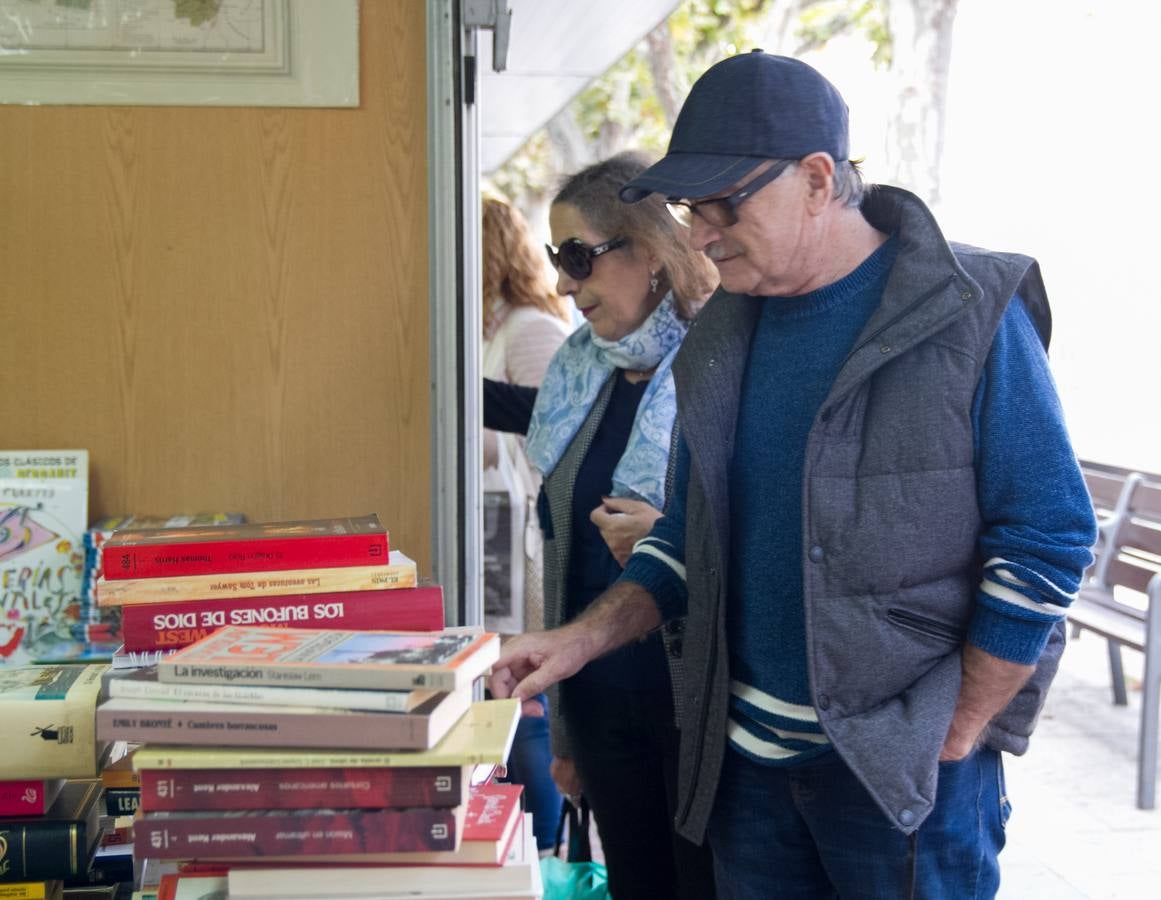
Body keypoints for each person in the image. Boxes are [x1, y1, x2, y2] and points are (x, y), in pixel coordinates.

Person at [490, 52, 1098, 899]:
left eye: (722, 205)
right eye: (685, 209)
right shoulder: (720, 337)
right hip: (745, 781)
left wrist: (955, 728)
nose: (698, 235)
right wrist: (574, 641)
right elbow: (685, 539)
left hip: (900, 785)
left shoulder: (970, 307)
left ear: (817, 178)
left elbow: (1048, 533)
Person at [510, 151, 718, 900]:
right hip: (603, 710)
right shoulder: (580, 374)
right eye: (554, 259)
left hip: (701, 720)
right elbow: (563, 554)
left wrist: (672, 535)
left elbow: (781, 542)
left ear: (655, 252)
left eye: (578, 257)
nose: (564, 284)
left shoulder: (725, 367)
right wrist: (564, 733)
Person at [479, 195, 572, 855]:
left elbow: (555, 436)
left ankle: (539, 850)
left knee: (523, 692)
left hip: (519, 540)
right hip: (493, 534)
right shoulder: (490, 331)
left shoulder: (529, 329)